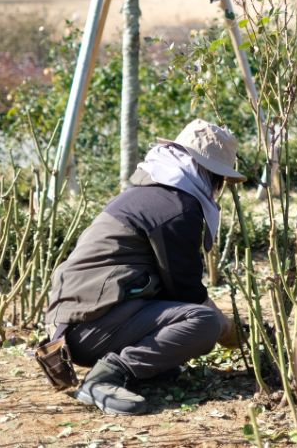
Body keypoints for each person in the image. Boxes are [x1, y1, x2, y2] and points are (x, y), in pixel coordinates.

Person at [45, 119, 247, 416]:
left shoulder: (153, 194)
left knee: (199, 320)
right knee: (204, 323)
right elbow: (186, 292)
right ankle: (106, 377)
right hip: (86, 328)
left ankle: (143, 368)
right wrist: (229, 330)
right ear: (211, 175)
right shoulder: (176, 208)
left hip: (78, 322)